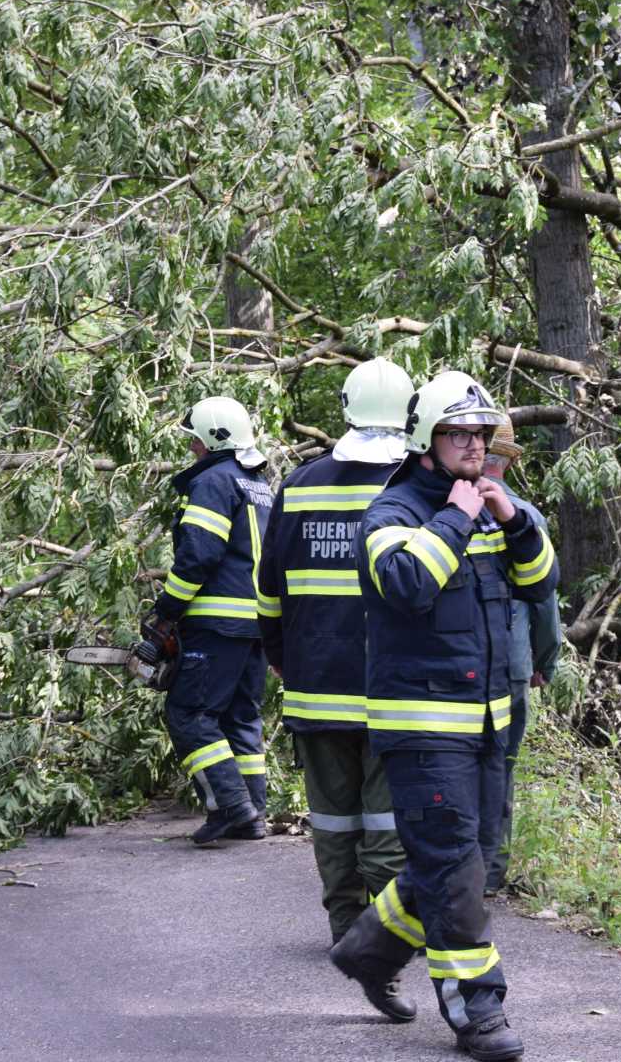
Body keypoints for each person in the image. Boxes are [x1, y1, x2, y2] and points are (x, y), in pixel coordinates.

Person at [329, 371, 558, 1062]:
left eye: (481, 434)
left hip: (486, 723)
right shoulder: (391, 512)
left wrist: (515, 523)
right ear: (428, 439)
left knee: (468, 862)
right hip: (425, 731)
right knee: (455, 868)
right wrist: (456, 517)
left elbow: (542, 581)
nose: (474, 446)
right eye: (461, 434)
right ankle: (477, 1013)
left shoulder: (495, 504)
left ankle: (371, 949)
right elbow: (404, 585)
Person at [257, 359, 416, 979]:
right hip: (391, 693)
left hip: (316, 685)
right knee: (387, 822)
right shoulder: (414, 488)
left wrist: (280, 657)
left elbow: (268, 590)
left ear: (346, 410)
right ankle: (382, 940)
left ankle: (345, 928)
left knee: (332, 819)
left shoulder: (300, 484)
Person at [147, 396, 276, 847]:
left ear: (210, 441)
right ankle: (253, 813)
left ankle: (230, 806)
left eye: (195, 441)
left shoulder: (214, 482)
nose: (192, 449)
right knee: (241, 717)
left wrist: (165, 615)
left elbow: (198, 554)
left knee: (190, 714)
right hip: (256, 625)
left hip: (216, 623)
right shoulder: (260, 485)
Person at [478, 424, 564, 895]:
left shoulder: (440, 509)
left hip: (457, 664)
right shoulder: (525, 516)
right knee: (498, 769)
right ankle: (490, 873)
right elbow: (544, 602)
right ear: (508, 460)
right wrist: (543, 661)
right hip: (510, 665)